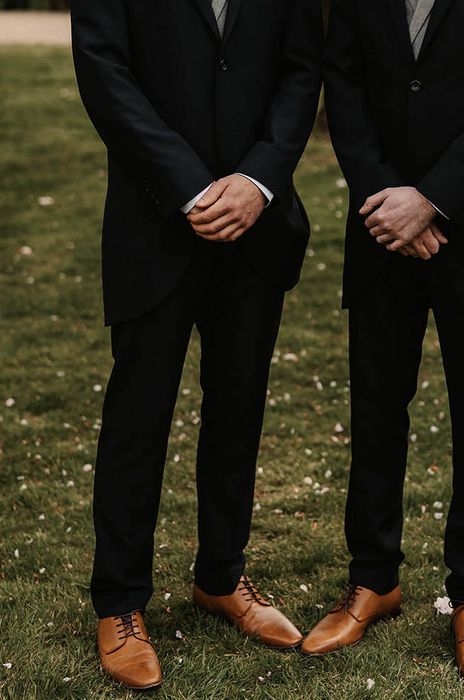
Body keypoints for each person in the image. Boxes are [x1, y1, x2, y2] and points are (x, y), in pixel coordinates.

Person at [304, 0, 464, 690]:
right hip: (381, 225)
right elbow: (345, 81)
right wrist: (388, 194)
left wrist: (436, 198)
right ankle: (372, 581)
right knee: (376, 409)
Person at [71, 0, 323, 690]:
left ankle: (221, 575)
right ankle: (119, 603)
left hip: (257, 224)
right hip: (154, 221)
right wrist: (190, 187)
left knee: (239, 407)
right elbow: (103, 71)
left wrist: (258, 180)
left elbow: (303, 70)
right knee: (138, 416)